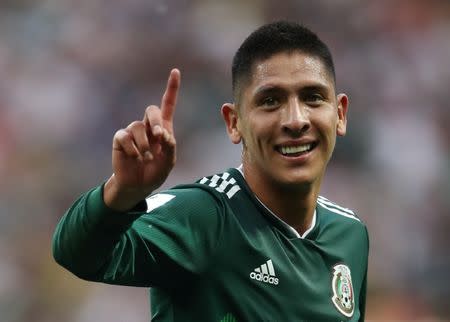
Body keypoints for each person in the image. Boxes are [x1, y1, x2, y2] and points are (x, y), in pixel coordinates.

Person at [53, 21, 369, 321]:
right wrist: (123, 191)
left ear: (339, 114)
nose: (296, 120)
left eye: (312, 97)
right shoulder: (205, 215)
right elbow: (75, 254)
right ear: (234, 123)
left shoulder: (350, 235)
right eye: (270, 101)